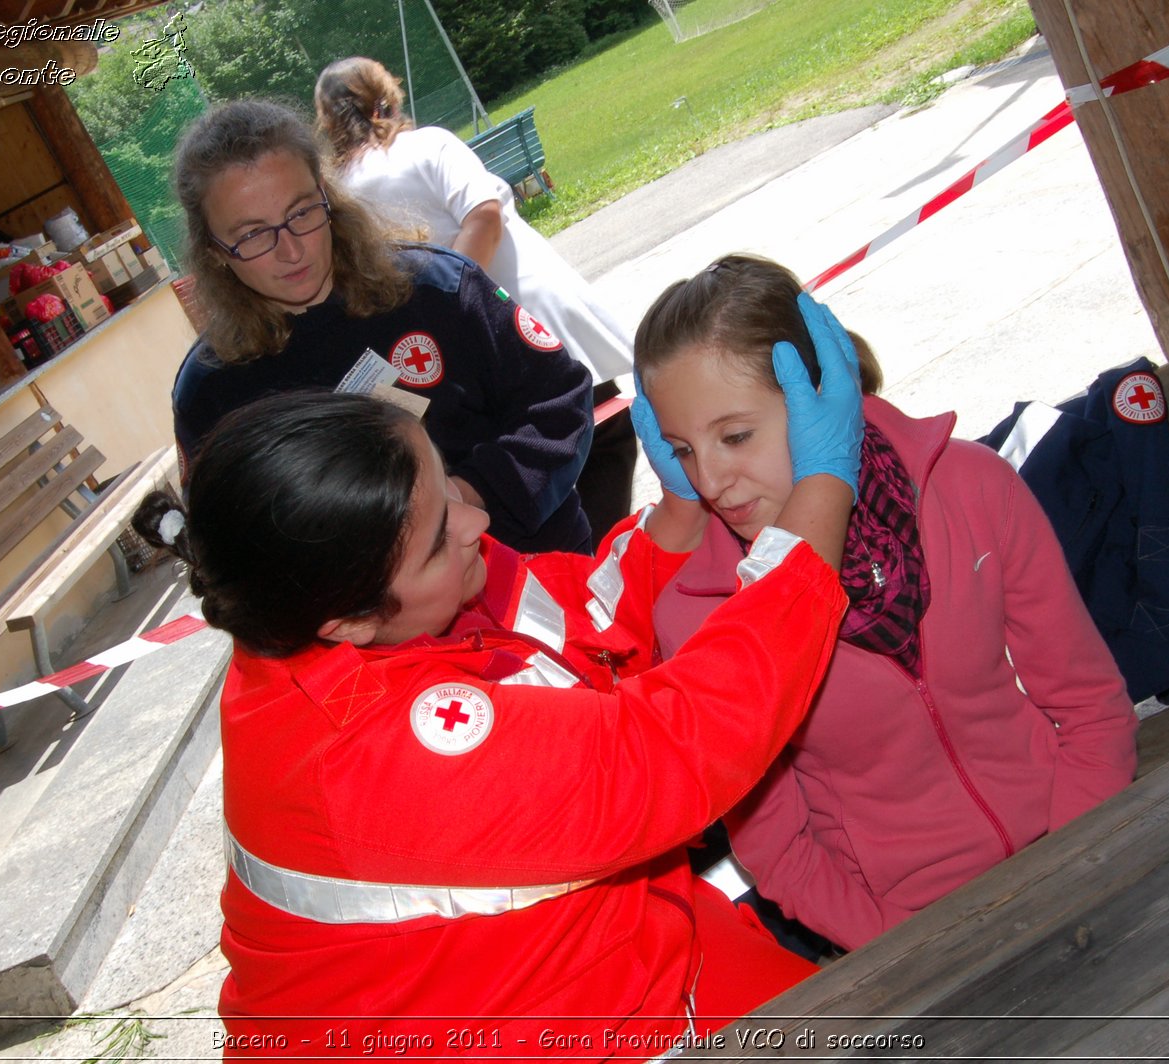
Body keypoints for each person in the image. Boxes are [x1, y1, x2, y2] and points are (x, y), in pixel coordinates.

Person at [129, 297, 862, 1058]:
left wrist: (674, 518)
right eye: (441, 539)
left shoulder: (335, 594)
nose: (476, 523)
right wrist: (820, 499)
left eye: (445, 482)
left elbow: (562, 618)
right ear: (345, 622)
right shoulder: (367, 762)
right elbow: (673, 750)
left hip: (614, 945)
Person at [635, 254, 1139, 955]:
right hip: (910, 932)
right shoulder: (699, 617)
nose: (711, 479)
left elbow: (1087, 703)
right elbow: (780, 850)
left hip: (1076, 843)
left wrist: (1074, 865)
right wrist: (914, 949)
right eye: (684, 449)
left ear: (821, 397)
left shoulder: (966, 486)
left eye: (736, 436)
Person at [170, 98, 595, 554]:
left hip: (532, 566)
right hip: (376, 621)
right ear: (213, 251)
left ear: (327, 196)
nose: (291, 250)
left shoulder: (436, 288)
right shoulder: (211, 390)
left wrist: (465, 496)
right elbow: (228, 548)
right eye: (252, 234)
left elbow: (559, 400)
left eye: (301, 213)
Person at [314, 57, 638, 542]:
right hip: (525, 330)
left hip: (450, 370)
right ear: (386, 96)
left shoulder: (337, 194)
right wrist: (452, 313)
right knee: (599, 442)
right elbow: (484, 216)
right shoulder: (426, 146)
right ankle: (601, 580)